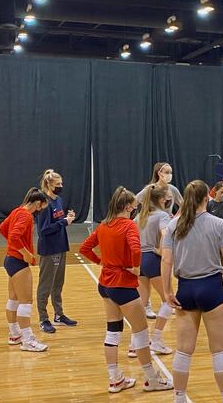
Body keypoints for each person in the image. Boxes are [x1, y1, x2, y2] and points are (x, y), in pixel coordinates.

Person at [79, 187, 173, 393]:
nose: (135, 208)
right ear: (129, 206)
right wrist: (136, 267)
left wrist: (100, 261)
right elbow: (135, 248)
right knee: (140, 333)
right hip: (123, 284)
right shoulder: (129, 225)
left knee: (113, 332)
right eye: (134, 205)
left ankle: (115, 379)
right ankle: (152, 379)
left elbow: (84, 248)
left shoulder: (104, 225)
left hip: (105, 285)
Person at [161, 180, 223, 403]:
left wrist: (167, 291)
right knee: (219, 350)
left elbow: (166, 261)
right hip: (212, 289)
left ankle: (179, 397)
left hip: (185, 288)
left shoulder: (174, 226)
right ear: (207, 197)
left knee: (183, 350)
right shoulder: (219, 224)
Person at [0, 187, 50, 352]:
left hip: (9, 260)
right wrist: (26, 253)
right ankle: (27, 341)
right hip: (18, 262)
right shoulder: (26, 215)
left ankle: (15, 335)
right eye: (41, 206)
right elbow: (14, 236)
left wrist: (15, 247)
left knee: (13, 299)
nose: (41, 210)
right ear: (37, 203)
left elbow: (3, 229)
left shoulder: (16, 211)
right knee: (26, 302)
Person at [136, 162, 184, 318]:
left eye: (171, 171)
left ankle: (147, 310)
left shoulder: (173, 190)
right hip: (152, 239)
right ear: (158, 172)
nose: (169, 174)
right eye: (166, 171)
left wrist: (174, 219)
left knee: (147, 278)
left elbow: (183, 206)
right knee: (162, 289)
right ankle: (155, 310)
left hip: (158, 234)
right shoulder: (150, 190)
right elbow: (134, 201)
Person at [132, 184, 174, 357]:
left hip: (140, 261)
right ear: (162, 199)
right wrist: (162, 250)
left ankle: (135, 344)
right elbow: (165, 234)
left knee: (141, 303)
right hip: (153, 259)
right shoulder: (162, 215)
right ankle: (156, 340)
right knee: (168, 300)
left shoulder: (139, 216)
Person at [36, 169, 77, 334]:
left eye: (61, 183)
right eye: (58, 184)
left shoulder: (58, 199)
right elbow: (43, 230)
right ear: (49, 184)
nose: (61, 186)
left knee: (58, 284)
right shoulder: (44, 204)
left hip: (60, 246)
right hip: (49, 249)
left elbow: (58, 220)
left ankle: (59, 315)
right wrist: (63, 223)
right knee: (45, 285)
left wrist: (67, 218)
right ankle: (43, 319)